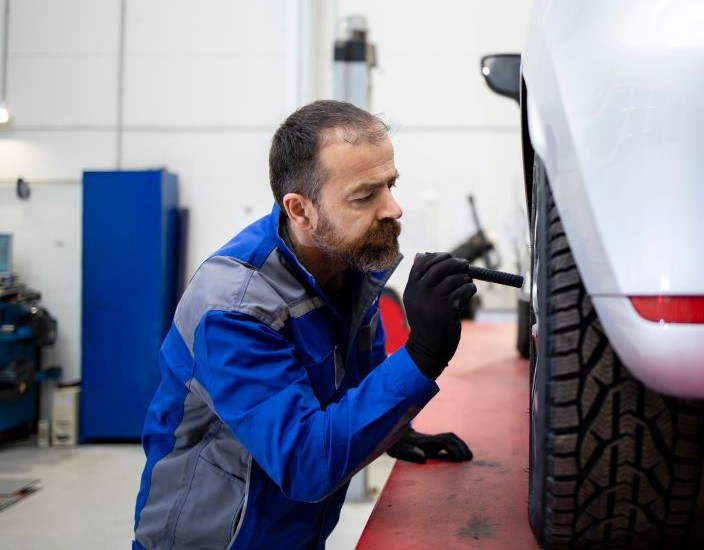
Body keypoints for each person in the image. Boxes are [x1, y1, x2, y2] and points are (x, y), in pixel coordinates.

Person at [132, 100, 477, 549]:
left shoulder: (348, 263)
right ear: (300, 210)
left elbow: (356, 382)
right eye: (365, 195)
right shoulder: (236, 310)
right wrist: (421, 356)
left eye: (390, 185)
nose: (393, 209)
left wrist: (394, 427)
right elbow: (305, 464)